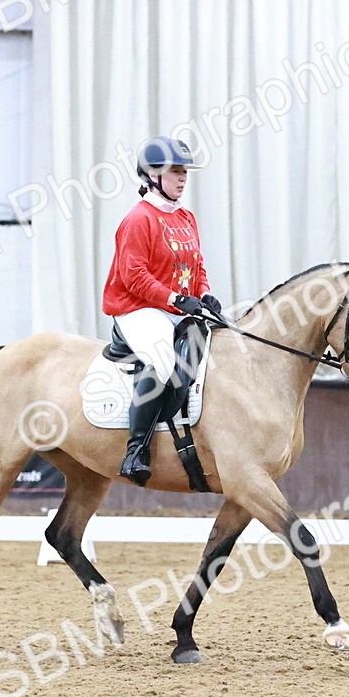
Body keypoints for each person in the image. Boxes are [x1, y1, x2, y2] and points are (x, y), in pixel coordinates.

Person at [102, 136, 223, 486]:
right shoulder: (138, 219)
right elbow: (133, 275)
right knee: (162, 359)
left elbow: (196, 265)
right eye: (174, 171)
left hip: (174, 305)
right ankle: (135, 452)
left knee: (208, 346)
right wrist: (174, 299)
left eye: (184, 171)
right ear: (152, 175)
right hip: (137, 308)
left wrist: (204, 293)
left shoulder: (185, 217)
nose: (182, 177)